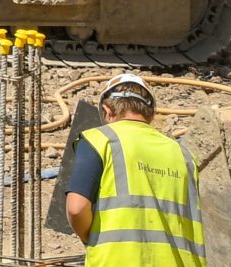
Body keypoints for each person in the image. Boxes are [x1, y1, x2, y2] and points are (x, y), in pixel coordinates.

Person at [65, 72, 205, 267]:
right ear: (151, 114)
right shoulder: (184, 154)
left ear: (107, 111)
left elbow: (76, 208)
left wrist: (91, 238)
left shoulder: (100, 140)